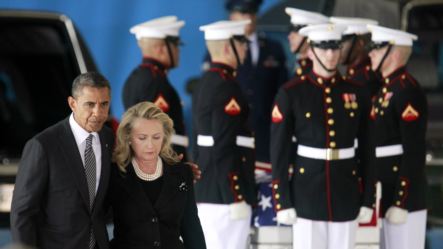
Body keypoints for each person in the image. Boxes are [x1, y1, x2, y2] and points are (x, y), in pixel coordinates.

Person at [270, 24, 375, 249]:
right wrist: (282, 200)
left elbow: (367, 148)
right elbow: (279, 151)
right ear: (310, 51)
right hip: (307, 191)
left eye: (335, 48)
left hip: (345, 189)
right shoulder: (291, 92)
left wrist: (368, 197)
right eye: (324, 48)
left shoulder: (357, 92)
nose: (331, 55)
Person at [11, 72, 114, 249]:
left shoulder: (108, 138)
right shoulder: (43, 145)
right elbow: (23, 212)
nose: (98, 113)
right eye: (90, 104)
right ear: (72, 103)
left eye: (104, 104)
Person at [192, 20, 256, 249]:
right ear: (229, 48)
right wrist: (235, 193)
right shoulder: (226, 86)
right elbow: (223, 145)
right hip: (224, 195)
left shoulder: (205, 82)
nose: (246, 49)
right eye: (242, 44)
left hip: (209, 188)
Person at [108, 101, 206, 249]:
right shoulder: (114, 174)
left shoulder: (182, 173)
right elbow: (96, 222)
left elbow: (191, 227)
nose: (150, 145)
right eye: (142, 138)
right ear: (128, 137)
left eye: (156, 137)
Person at [367, 24, 427, 249]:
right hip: (384, 191)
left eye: (377, 48)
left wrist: (401, 200)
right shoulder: (386, 88)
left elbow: (413, 150)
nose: (371, 53)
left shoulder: (406, 90)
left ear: (394, 53)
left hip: (402, 197)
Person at [122, 16, 189, 158]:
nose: (178, 51)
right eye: (176, 45)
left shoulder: (135, 77)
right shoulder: (155, 82)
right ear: (161, 49)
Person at [330, 16, 381, 97]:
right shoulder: (354, 72)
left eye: (341, 45)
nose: (337, 50)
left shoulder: (366, 79)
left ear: (359, 44)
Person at [285, 7, 328, 78]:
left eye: (296, 31)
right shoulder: (301, 65)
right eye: (291, 31)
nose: (290, 37)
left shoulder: (316, 71)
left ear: (310, 36)